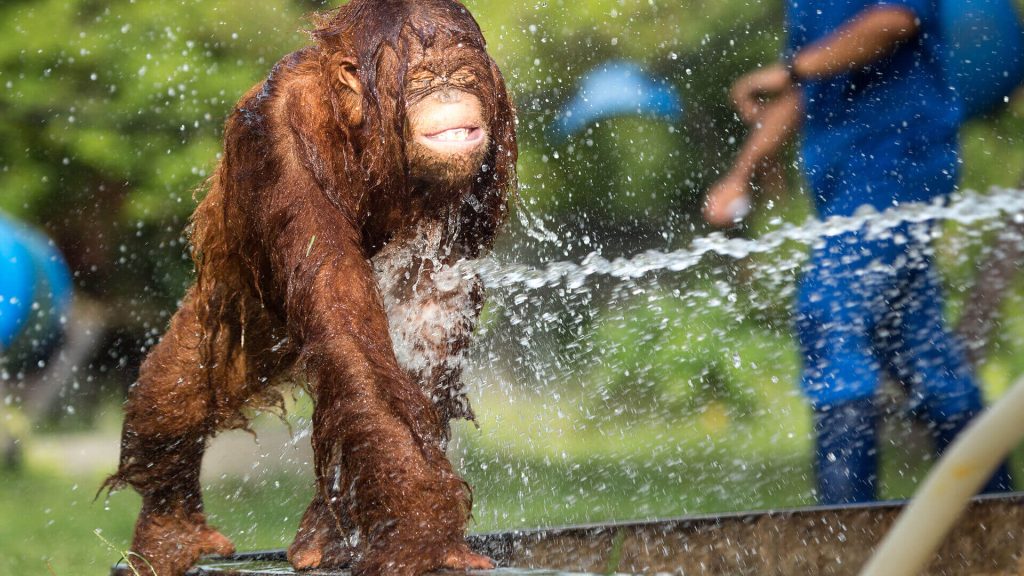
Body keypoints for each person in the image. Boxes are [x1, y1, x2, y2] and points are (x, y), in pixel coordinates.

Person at [704, 1, 1014, 504]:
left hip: (899, 164)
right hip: (848, 184)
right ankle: (1000, 523)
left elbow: (892, 22)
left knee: (829, 316)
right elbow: (803, 87)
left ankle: (845, 530)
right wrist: (743, 171)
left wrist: (788, 69)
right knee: (924, 356)